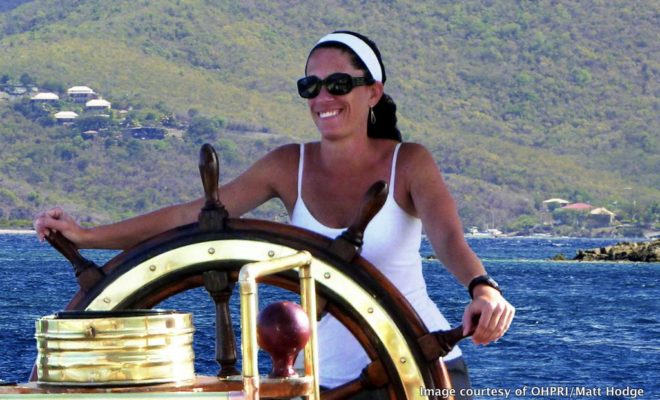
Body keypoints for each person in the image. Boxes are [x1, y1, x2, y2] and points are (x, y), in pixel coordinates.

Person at [34, 30, 514, 398]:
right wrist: (87, 236)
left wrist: (482, 288)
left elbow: (450, 240)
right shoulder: (289, 164)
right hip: (317, 380)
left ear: (373, 91)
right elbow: (195, 217)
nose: (323, 97)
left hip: (414, 364)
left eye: (339, 84)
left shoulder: (409, 162)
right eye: (311, 86)